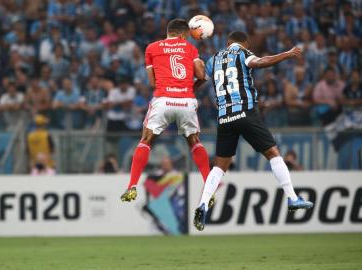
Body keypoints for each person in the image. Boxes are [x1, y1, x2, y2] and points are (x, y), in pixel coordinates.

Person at [193, 31, 313, 231]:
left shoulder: (213, 59)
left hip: (224, 117)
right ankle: (292, 198)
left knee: (219, 167)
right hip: (246, 113)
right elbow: (260, 62)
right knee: (273, 154)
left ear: (227, 42)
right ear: (244, 43)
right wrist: (287, 54)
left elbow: (200, 79)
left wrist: (183, 91)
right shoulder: (242, 53)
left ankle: (203, 203)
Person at [120, 19, 212, 205]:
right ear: (184, 34)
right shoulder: (190, 48)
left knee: (146, 140)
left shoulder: (152, 48)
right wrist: (191, 87)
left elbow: (152, 83)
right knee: (194, 142)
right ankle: (209, 186)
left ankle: (132, 186)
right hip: (186, 101)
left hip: (163, 100)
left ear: (168, 32)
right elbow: (202, 76)